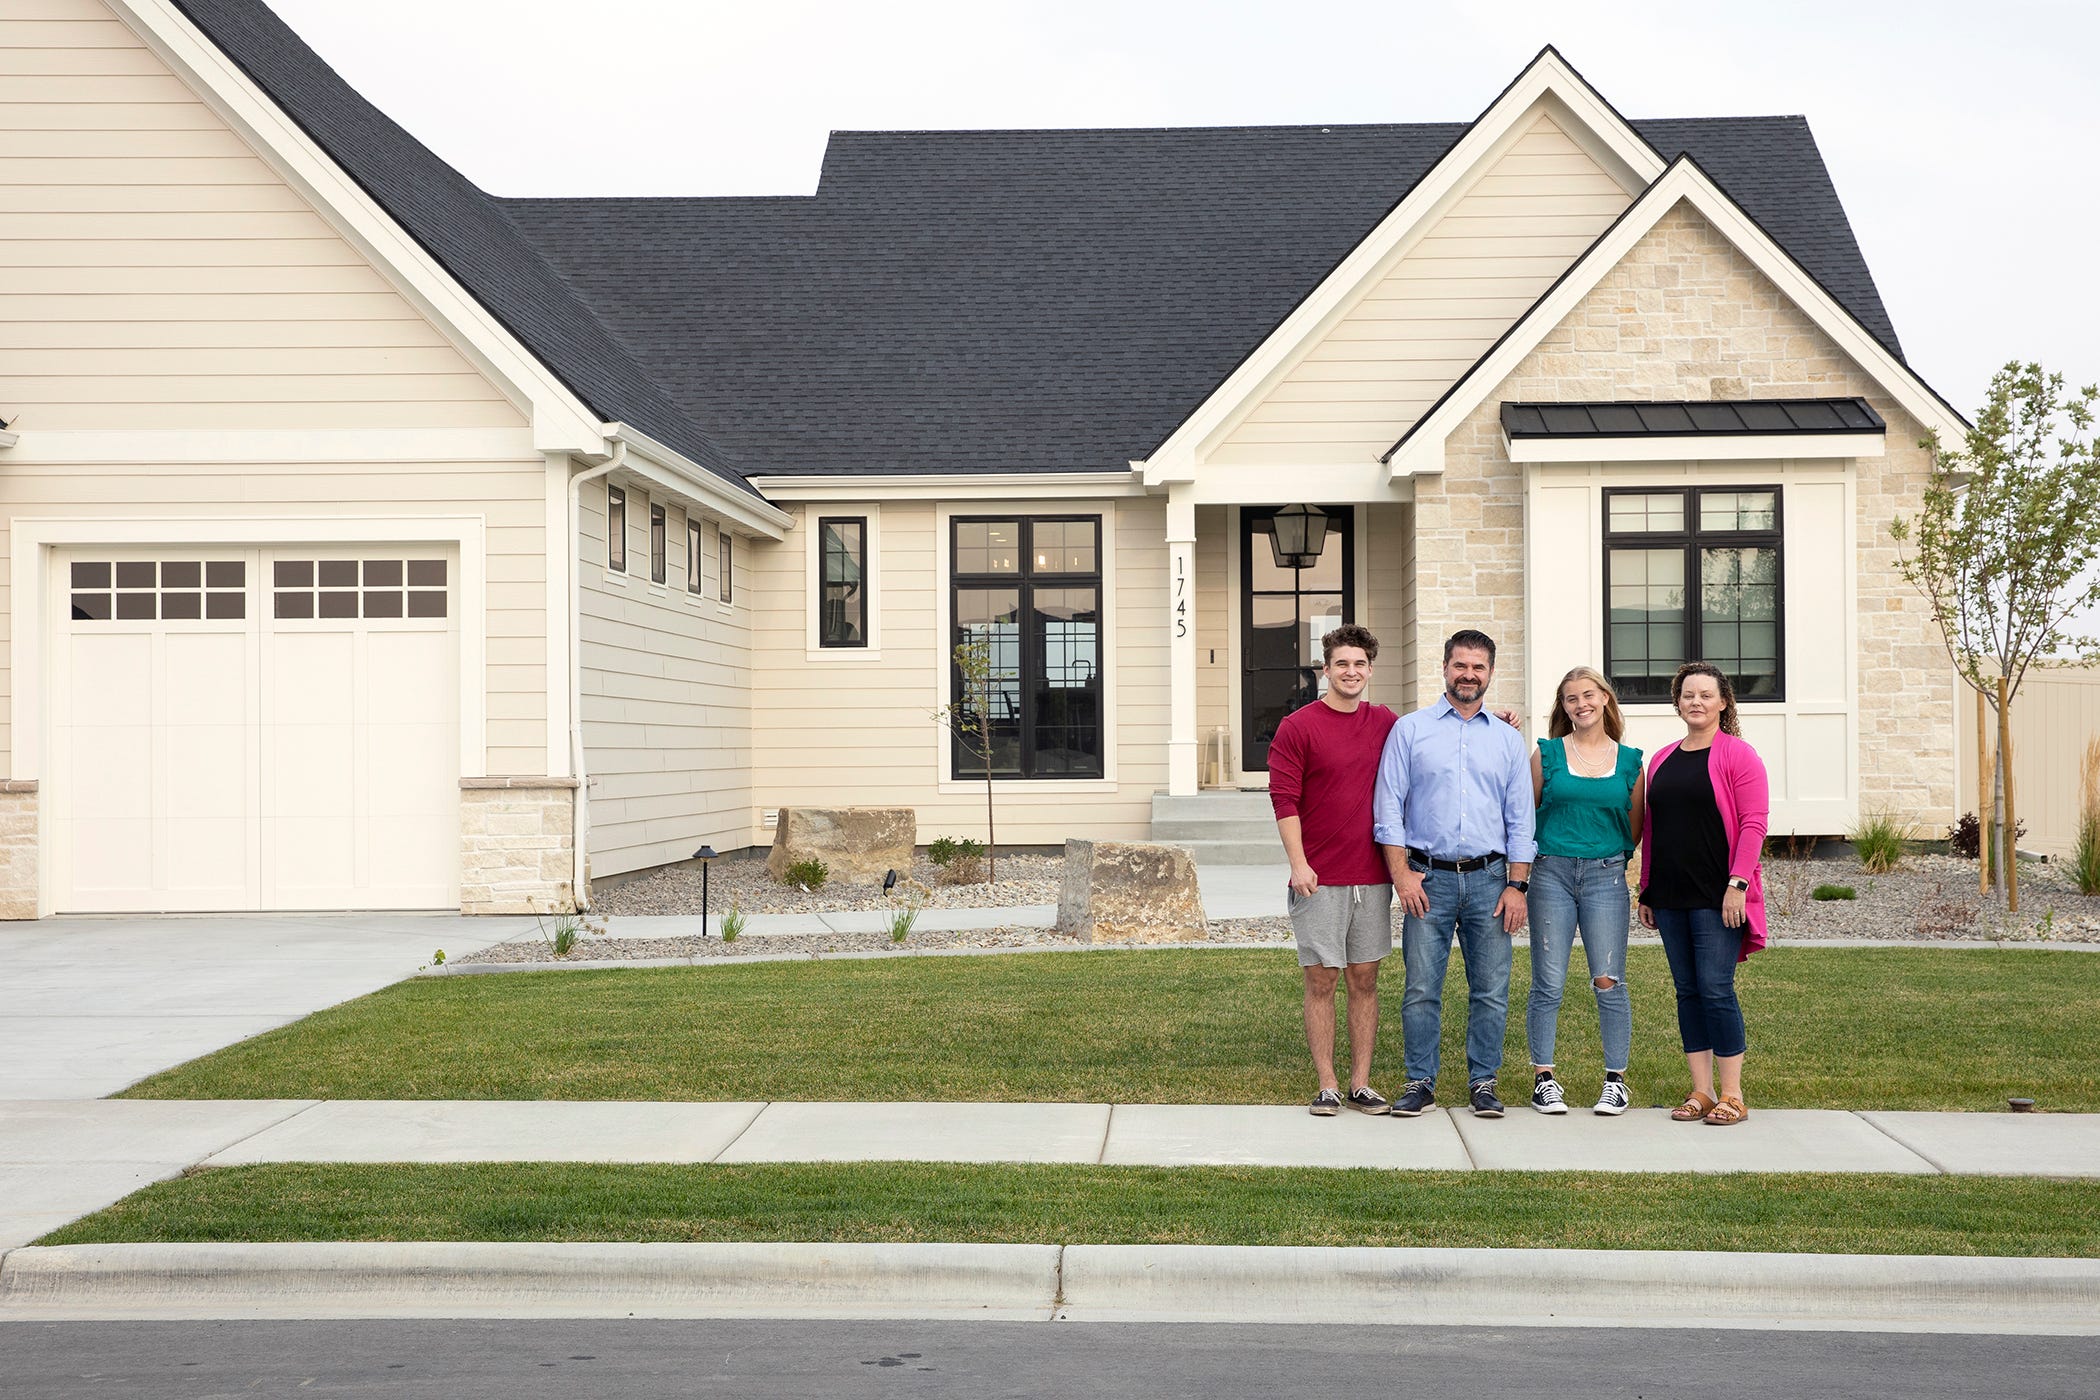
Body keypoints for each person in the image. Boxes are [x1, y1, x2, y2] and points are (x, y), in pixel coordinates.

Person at [1374, 628, 1535, 1119]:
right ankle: (1420, 1081)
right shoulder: (1410, 730)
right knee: (1422, 986)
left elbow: (1521, 819)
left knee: (1490, 987)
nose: (1468, 675)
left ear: (1490, 672)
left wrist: (1517, 884)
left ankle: (1483, 1082)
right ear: (1444, 668)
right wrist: (1401, 875)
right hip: (1427, 878)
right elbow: (1388, 809)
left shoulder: (1508, 740)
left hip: (1490, 880)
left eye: (1478, 667)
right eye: (1460, 665)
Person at [1268, 624, 1400, 1116]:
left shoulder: (1385, 722)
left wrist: (1495, 717)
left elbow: (1437, 734)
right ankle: (1326, 1084)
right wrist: (1298, 864)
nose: (1351, 672)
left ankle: (1360, 1083)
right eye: (1342, 663)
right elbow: (1283, 798)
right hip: (1318, 876)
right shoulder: (1298, 726)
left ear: (1370, 669)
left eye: (1360, 664)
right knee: (1322, 977)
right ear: (1326, 669)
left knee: (1364, 978)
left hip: (1372, 875)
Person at [1636, 661, 1770, 1127]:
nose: (1696, 701)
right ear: (1677, 702)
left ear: (1723, 702)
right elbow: (1654, 829)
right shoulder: (1662, 758)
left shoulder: (1739, 754)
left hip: (1719, 894)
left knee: (1716, 989)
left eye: (1705, 695)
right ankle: (1702, 1091)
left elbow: (1754, 824)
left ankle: (1733, 1094)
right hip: (1671, 894)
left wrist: (1738, 885)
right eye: (1688, 694)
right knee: (1687, 991)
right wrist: (1647, 888)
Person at [1526, 667, 1644, 1116]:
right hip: (1551, 872)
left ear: (1606, 700)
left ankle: (1615, 1082)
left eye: (1588, 695)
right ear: (1564, 707)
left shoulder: (1631, 760)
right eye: (1571, 698)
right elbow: (1526, 817)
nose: (1581, 704)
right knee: (1548, 981)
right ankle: (1544, 1080)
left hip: (1605, 877)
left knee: (1609, 980)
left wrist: (1606, 860)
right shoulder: (1547, 754)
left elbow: (1633, 828)